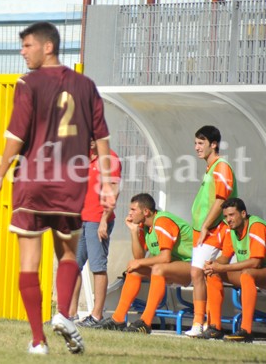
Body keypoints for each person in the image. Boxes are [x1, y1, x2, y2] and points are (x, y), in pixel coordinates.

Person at [0, 22, 116, 355]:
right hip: (71, 184)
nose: (22, 51)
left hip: (33, 179)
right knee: (68, 254)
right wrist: (107, 185)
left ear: (48, 47)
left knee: (29, 262)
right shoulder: (87, 86)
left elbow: (16, 135)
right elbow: (102, 139)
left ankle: (37, 340)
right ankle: (62, 315)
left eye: (27, 45)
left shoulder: (28, 83)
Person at [95, 193, 193, 333]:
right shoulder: (145, 226)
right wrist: (134, 231)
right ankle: (118, 319)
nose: (129, 213)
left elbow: (165, 257)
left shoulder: (162, 222)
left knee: (157, 269)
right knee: (135, 270)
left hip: (193, 267)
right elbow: (139, 256)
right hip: (171, 267)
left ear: (146, 211)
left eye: (133, 210)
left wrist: (139, 262)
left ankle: (146, 322)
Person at [186, 125, 237, 337]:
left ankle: (201, 322)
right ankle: (209, 324)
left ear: (213, 144)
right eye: (196, 143)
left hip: (215, 230)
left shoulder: (222, 166)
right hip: (203, 230)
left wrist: (207, 224)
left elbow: (222, 199)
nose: (196, 147)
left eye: (201, 143)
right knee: (207, 272)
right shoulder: (210, 167)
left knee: (199, 271)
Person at [69, 140, 121, 327]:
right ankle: (71, 314)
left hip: (97, 220)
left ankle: (96, 315)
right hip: (80, 220)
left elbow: (114, 192)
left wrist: (104, 221)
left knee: (98, 266)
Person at [202, 197, 266, 342]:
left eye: (232, 215)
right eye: (225, 216)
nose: (228, 219)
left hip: (259, 271)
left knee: (247, 274)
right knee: (213, 273)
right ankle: (215, 327)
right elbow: (225, 257)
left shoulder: (256, 226)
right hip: (254, 273)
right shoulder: (231, 229)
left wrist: (223, 266)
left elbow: (256, 262)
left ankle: (246, 331)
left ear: (243, 214)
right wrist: (213, 264)